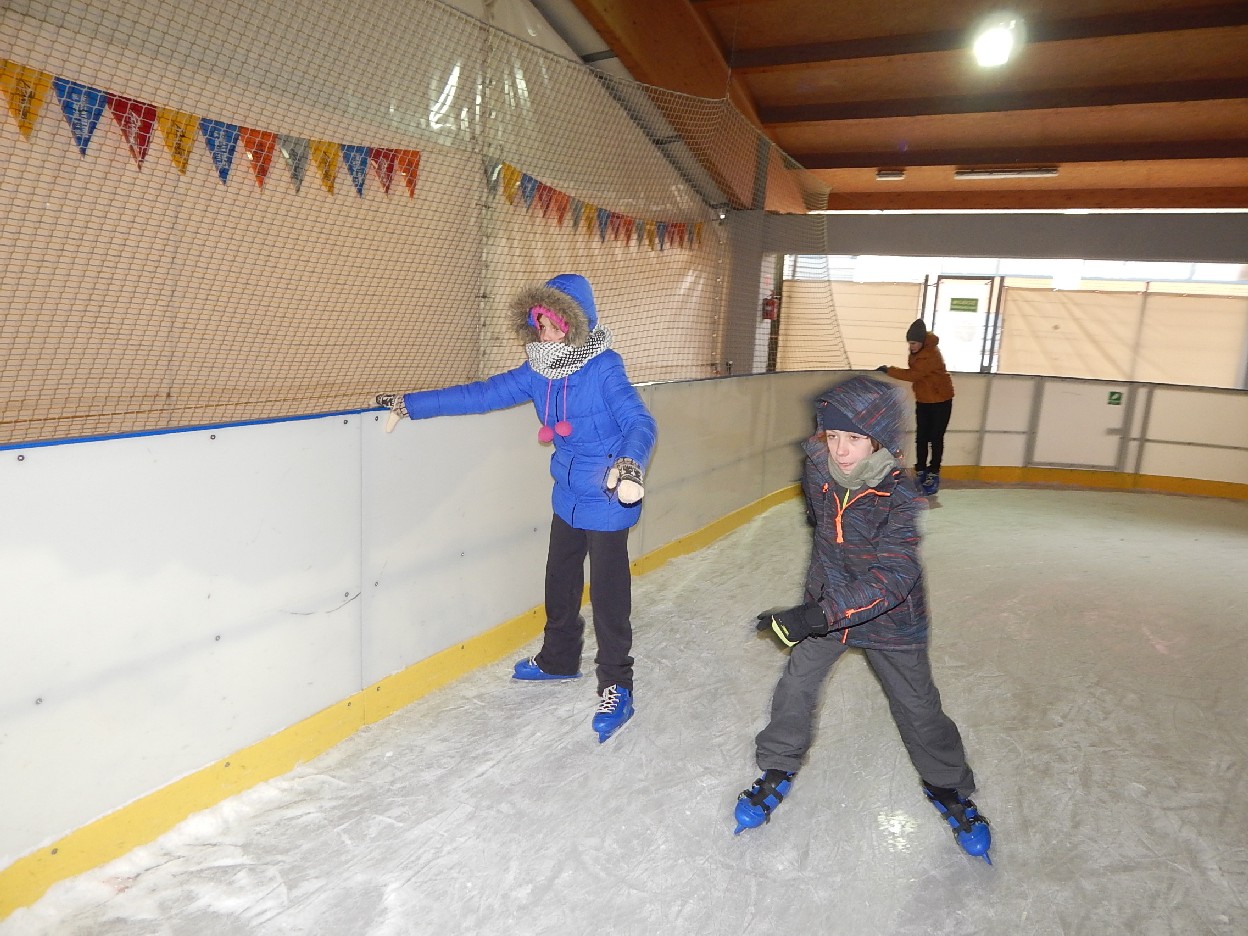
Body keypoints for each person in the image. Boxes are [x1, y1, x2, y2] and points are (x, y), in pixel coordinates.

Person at [374, 273, 657, 743]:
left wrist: (630, 463)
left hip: (609, 491)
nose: (545, 333)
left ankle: (617, 685)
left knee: (609, 596)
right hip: (568, 492)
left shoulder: (604, 366)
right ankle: (559, 659)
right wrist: (410, 404)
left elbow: (638, 420)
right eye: (539, 324)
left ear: (574, 323)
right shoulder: (537, 371)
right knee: (559, 579)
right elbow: (481, 394)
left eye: (554, 324)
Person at [733, 374, 990, 862]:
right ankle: (778, 766)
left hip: (891, 619)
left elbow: (894, 578)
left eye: (854, 437)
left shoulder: (900, 498)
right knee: (796, 686)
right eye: (833, 435)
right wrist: (815, 606)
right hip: (829, 603)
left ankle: (948, 787)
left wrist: (815, 615)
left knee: (918, 707)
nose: (841, 449)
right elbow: (823, 531)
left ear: (880, 439)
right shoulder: (818, 471)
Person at [877, 318, 954, 496]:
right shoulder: (918, 351)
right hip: (924, 400)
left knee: (935, 438)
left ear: (921, 341)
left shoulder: (930, 354)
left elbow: (914, 375)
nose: (911, 347)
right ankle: (920, 472)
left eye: (913, 343)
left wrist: (889, 370)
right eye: (909, 343)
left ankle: (933, 474)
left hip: (941, 401)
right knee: (921, 438)